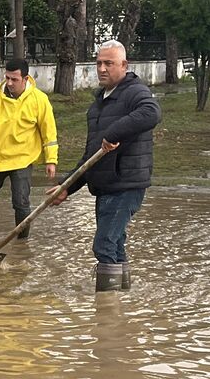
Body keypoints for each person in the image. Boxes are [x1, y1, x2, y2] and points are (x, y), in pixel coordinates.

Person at [48, 40, 161, 291]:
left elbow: (151, 113)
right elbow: (92, 154)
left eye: (109, 63)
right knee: (115, 243)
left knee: (104, 244)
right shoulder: (99, 102)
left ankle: (106, 313)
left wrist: (113, 133)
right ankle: (121, 299)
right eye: (99, 63)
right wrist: (67, 185)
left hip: (125, 184)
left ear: (124, 65)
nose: (102, 68)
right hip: (106, 185)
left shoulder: (134, 91)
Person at [0, 58, 58, 239]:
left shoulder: (40, 100)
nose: (9, 83)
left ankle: (22, 245)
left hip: (23, 160)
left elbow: (49, 133)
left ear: (25, 79)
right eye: (7, 78)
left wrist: (51, 160)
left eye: (14, 79)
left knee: (21, 203)